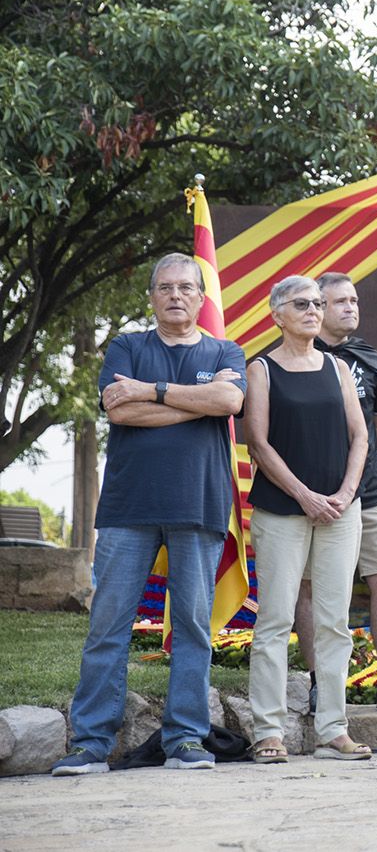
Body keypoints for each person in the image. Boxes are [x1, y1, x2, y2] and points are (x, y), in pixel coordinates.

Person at [52, 255, 247, 776]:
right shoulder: (128, 346)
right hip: (128, 507)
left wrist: (151, 390)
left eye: (186, 287)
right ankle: (91, 742)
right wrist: (195, 403)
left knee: (191, 628)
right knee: (108, 625)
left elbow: (229, 399)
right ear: (153, 296)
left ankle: (185, 739)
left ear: (201, 298)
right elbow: (118, 410)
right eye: (165, 288)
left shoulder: (225, 349)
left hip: (198, 505)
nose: (175, 295)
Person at [244, 275, 371, 763]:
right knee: (275, 621)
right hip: (282, 511)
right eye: (302, 304)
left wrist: (342, 494)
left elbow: (360, 438)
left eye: (318, 303)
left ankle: (334, 730)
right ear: (277, 314)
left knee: (335, 622)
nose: (314, 310)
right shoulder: (262, 369)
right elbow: (258, 443)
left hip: (341, 510)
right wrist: (304, 496)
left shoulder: (338, 368)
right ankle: (268, 732)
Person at [292, 272, 377, 714]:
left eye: (354, 300)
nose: (351, 307)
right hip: (314, 491)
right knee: (311, 585)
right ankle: (319, 682)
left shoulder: (369, 357)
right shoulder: (299, 356)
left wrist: (362, 469)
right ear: (318, 308)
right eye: (340, 301)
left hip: (371, 488)